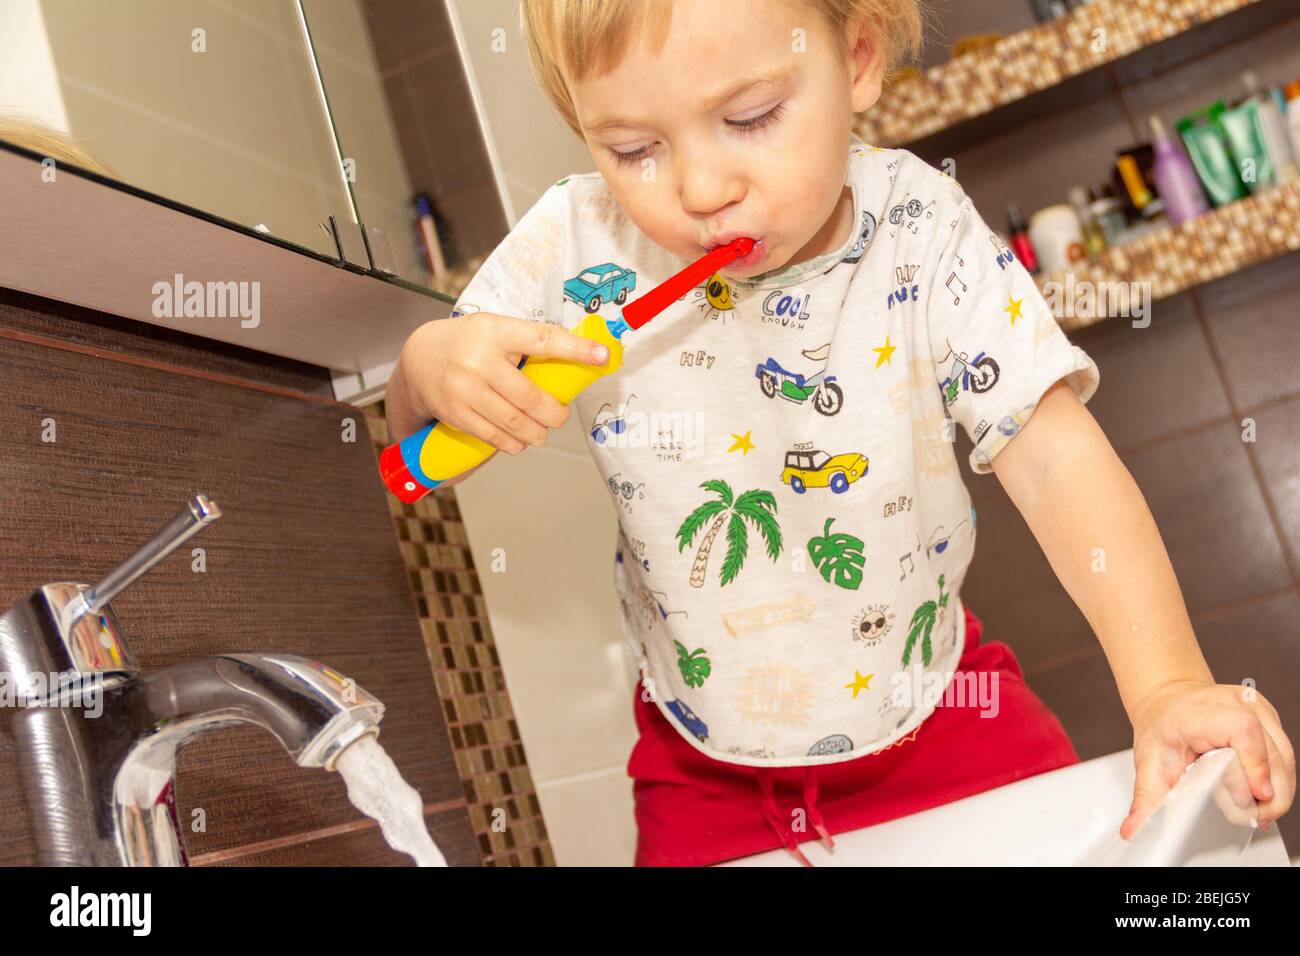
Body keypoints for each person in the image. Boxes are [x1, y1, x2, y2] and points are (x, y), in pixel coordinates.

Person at [384, 0, 1294, 866]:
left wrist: (1167, 684)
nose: (703, 189)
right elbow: (411, 440)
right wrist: (431, 365)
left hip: (945, 718)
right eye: (634, 148)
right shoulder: (580, 244)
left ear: (857, 59)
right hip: (700, 771)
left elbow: (1055, 456)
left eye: (751, 116)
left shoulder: (923, 228)